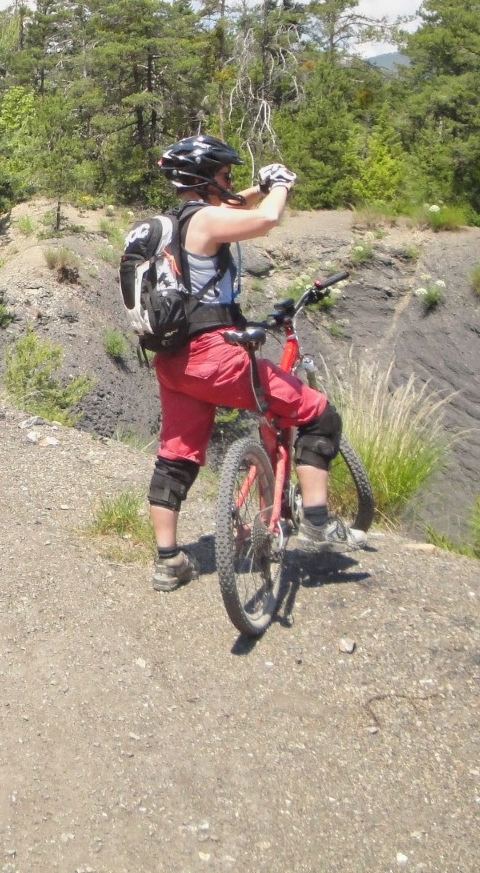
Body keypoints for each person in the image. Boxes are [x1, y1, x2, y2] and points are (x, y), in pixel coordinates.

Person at [147, 134, 355, 593]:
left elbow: (232, 206)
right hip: (214, 358)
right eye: (223, 175)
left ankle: (168, 561)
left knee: (176, 456)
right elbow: (266, 219)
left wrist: (256, 188)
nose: (228, 183)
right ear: (205, 178)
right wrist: (280, 185)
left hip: (173, 360)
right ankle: (317, 522)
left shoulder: (174, 222)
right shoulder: (205, 220)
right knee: (319, 415)